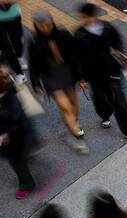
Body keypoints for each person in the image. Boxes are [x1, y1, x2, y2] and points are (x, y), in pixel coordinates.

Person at [74, 2, 127, 143]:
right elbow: (78, 58)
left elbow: (117, 42)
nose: (83, 20)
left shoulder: (107, 27)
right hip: (93, 73)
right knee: (100, 98)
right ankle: (104, 114)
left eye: (84, 17)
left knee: (120, 100)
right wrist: (81, 78)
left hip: (111, 69)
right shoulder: (79, 34)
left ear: (91, 16)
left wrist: (122, 53)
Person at [28, 11, 88, 154]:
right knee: (64, 105)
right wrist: (36, 83)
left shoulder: (63, 34)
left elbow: (75, 56)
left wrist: (82, 77)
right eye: (41, 26)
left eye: (48, 25)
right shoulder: (34, 41)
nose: (45, 29)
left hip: (67, 72)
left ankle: (73, 123)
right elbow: (33, 64)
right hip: (49, 76)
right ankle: (76, 131)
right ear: (36, 26)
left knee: (73, 103)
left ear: (52, 23)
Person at [0, 65, 36, 199]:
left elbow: (16, 118)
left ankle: (27, 184)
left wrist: (5, 134)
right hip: (10, 134)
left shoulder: (8, 97)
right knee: (16, 158)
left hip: (14, 134)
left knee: (16, 160)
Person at [0, 1, 25, 82]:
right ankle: (19, 73)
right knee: (5, 46)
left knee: (17, 41)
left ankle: (19, 57)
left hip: (14, 17)